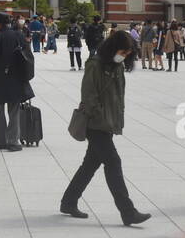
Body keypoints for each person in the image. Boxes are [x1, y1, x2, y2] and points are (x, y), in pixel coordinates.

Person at [59, 29, 151, 225]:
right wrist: (102, 117)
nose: (124, 56)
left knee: (90, 165)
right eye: (122, 52)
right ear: (113, 48)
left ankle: (68, 201)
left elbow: (118, 97)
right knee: (113, 162)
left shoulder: (116, 66)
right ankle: (128, 211)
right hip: (95, 124)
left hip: (107, 124)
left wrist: (115, 120)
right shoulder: (95, 65)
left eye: (127, 54)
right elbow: (89, 96)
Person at [0, 12, 34, 151]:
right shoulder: (18, 35)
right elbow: (27, 54)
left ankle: (0, 141)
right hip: (16, 78)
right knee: (14, 110)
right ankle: (13, 141)